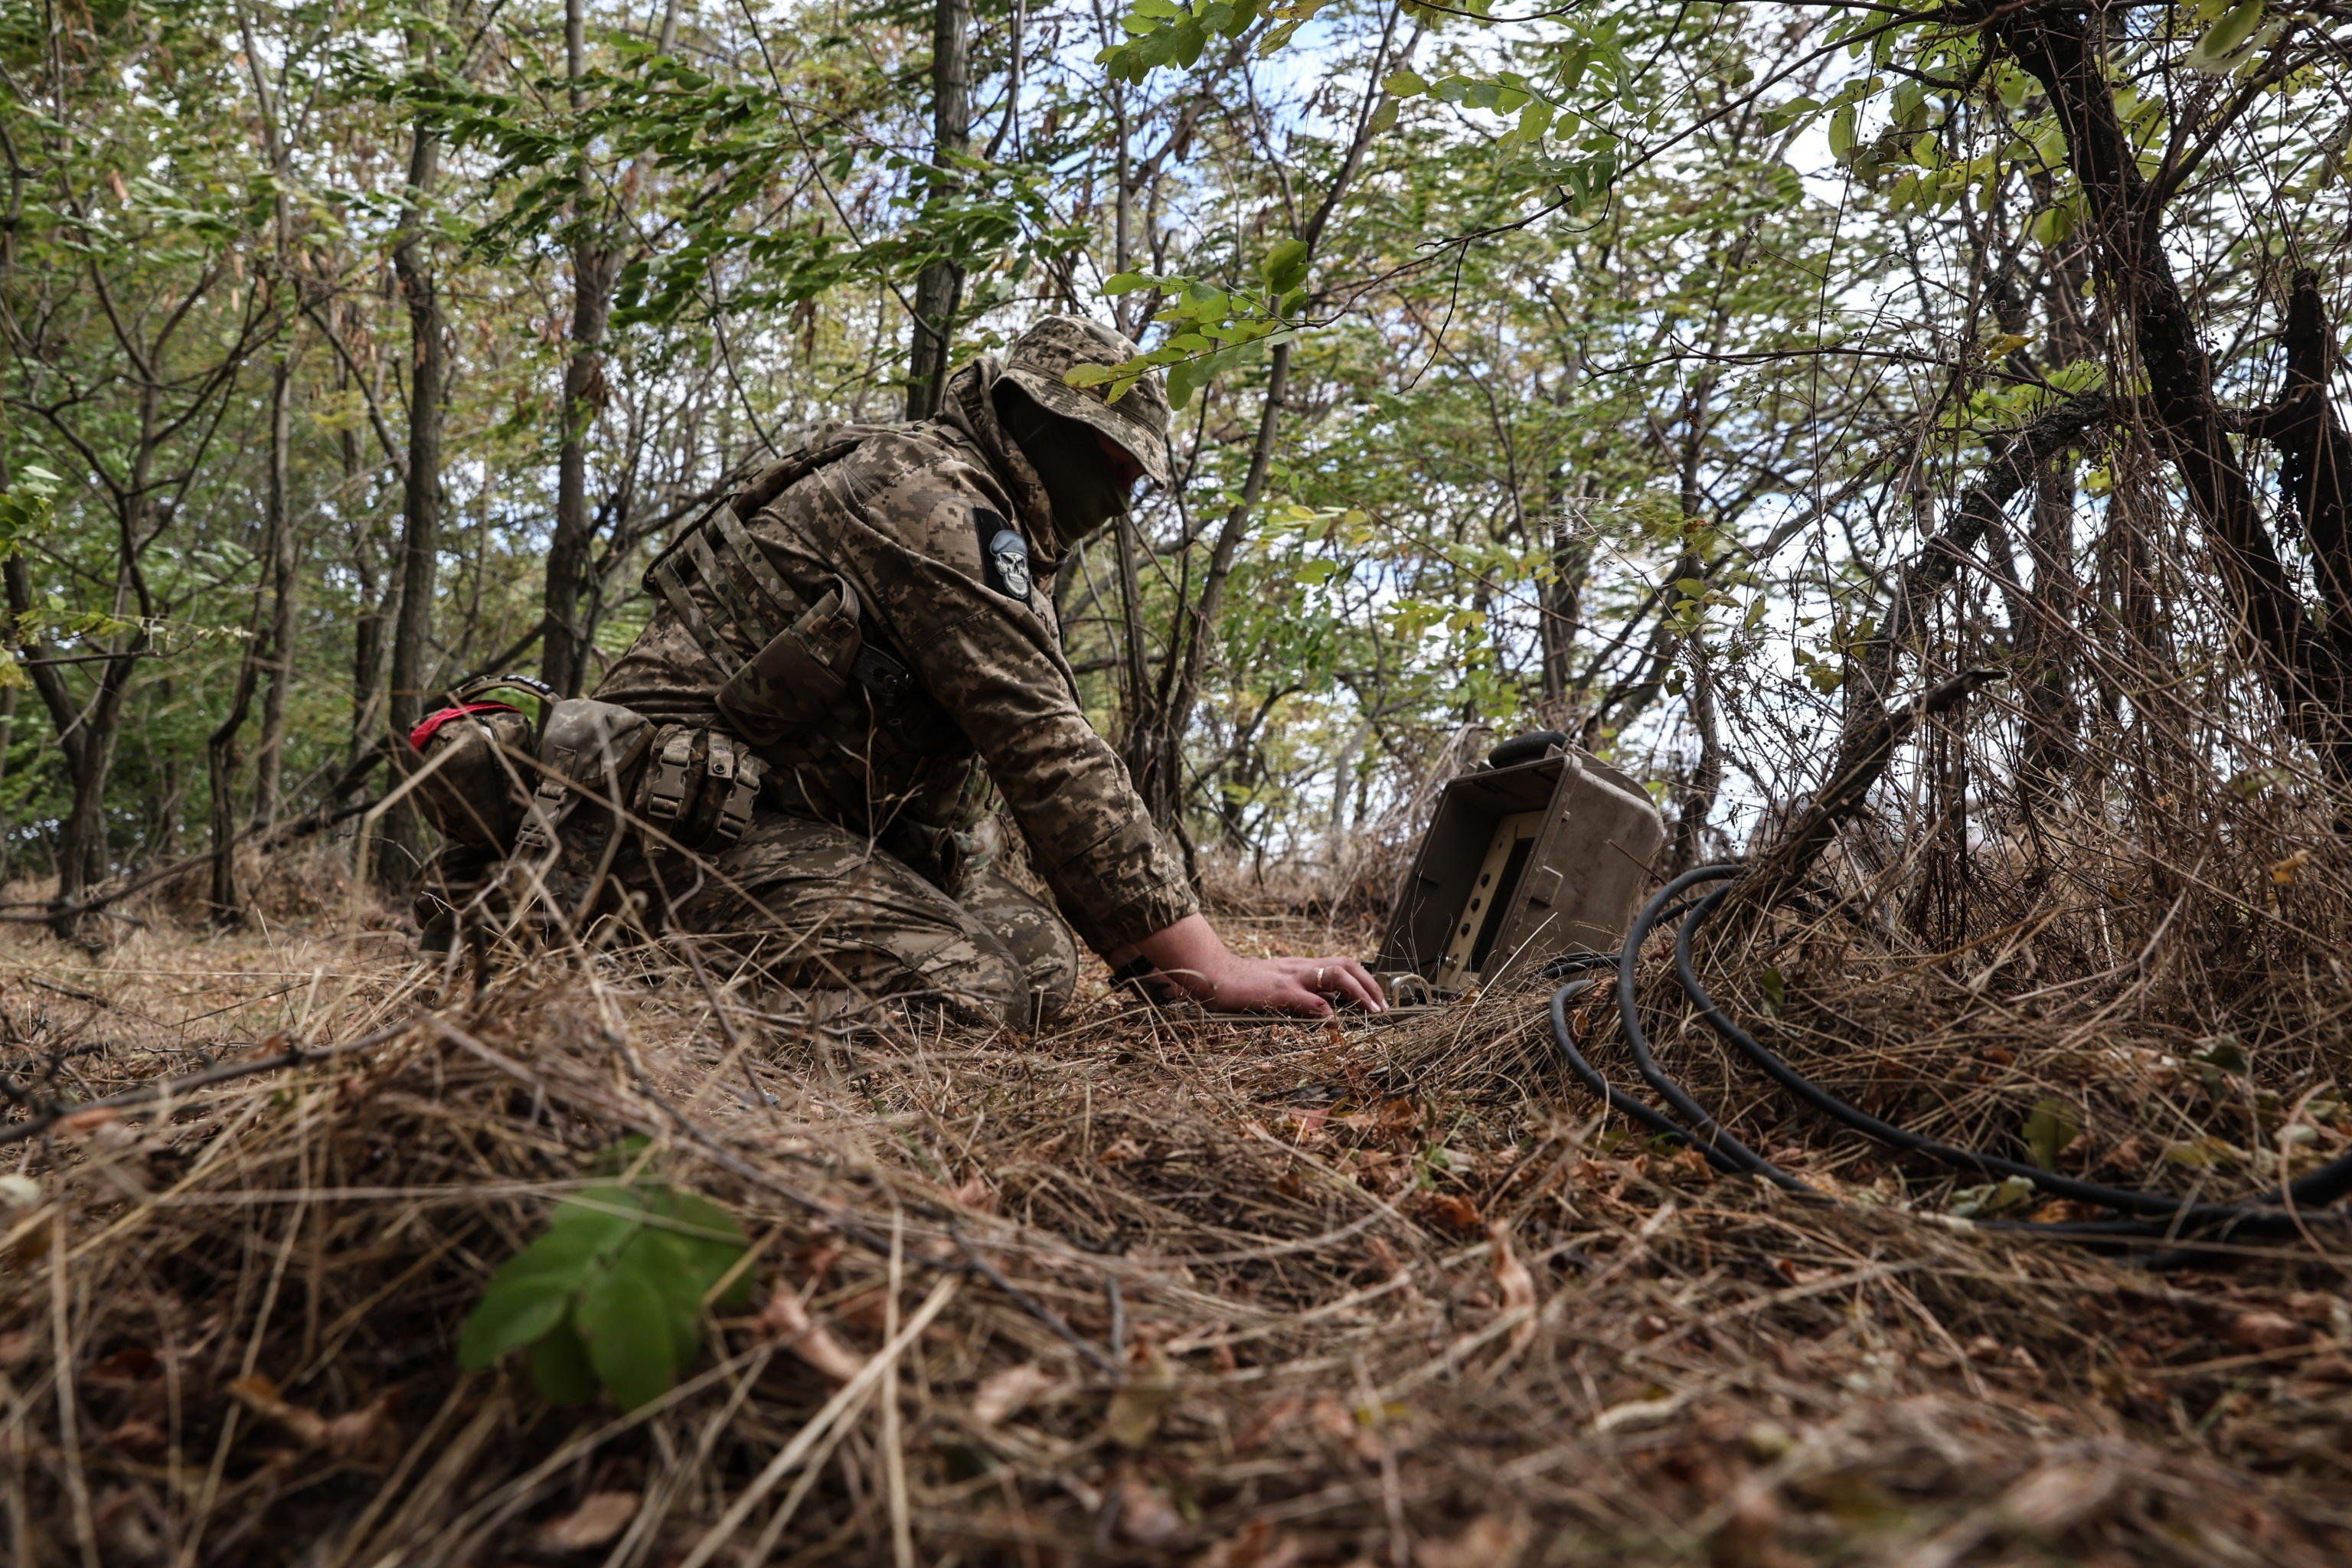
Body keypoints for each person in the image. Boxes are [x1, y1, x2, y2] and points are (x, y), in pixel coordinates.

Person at [578, 315, 1384, 1030]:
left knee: (1040, 963)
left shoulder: (986, 509)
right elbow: (1044, 747)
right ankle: (623, 983)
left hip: (790, 813)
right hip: (663, 820)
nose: (1124, 494)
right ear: (1042, 421)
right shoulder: (930, 499)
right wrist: (1212, 967)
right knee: (970, 988)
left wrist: (1167, 958)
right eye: (1115, 461)